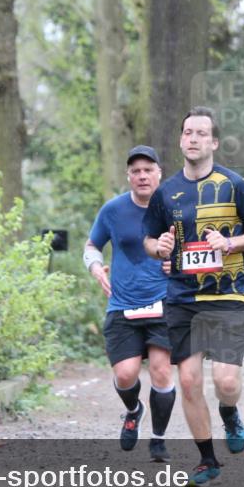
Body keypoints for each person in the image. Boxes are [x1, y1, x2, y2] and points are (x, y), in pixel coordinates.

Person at [143, 106, 244, 487]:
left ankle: (229, 412)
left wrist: (230, 242)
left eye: (202, 133)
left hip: (229, 294)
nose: (194, 139)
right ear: (181, 140)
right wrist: (160, 247)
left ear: (214, 142)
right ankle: (206, 460)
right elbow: (149, 240)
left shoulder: (235, 185)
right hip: (182, 296)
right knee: (187, 381)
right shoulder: (166, 193)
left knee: (227, 382)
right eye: (188, 133)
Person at [85, 145, 176, 463]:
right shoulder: (112, 210)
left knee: (162, 371)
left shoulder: (175, 210)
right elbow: (92, 246)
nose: (142, 176)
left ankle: (159, 440)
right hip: (122, 304)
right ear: (128, 176)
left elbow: (193, 251)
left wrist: (175, 263)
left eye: (148, 169)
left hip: (164, 303)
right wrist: (96, 267)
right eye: (135, 171)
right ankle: (133, 409)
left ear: (159, 173)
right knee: (125, 375)